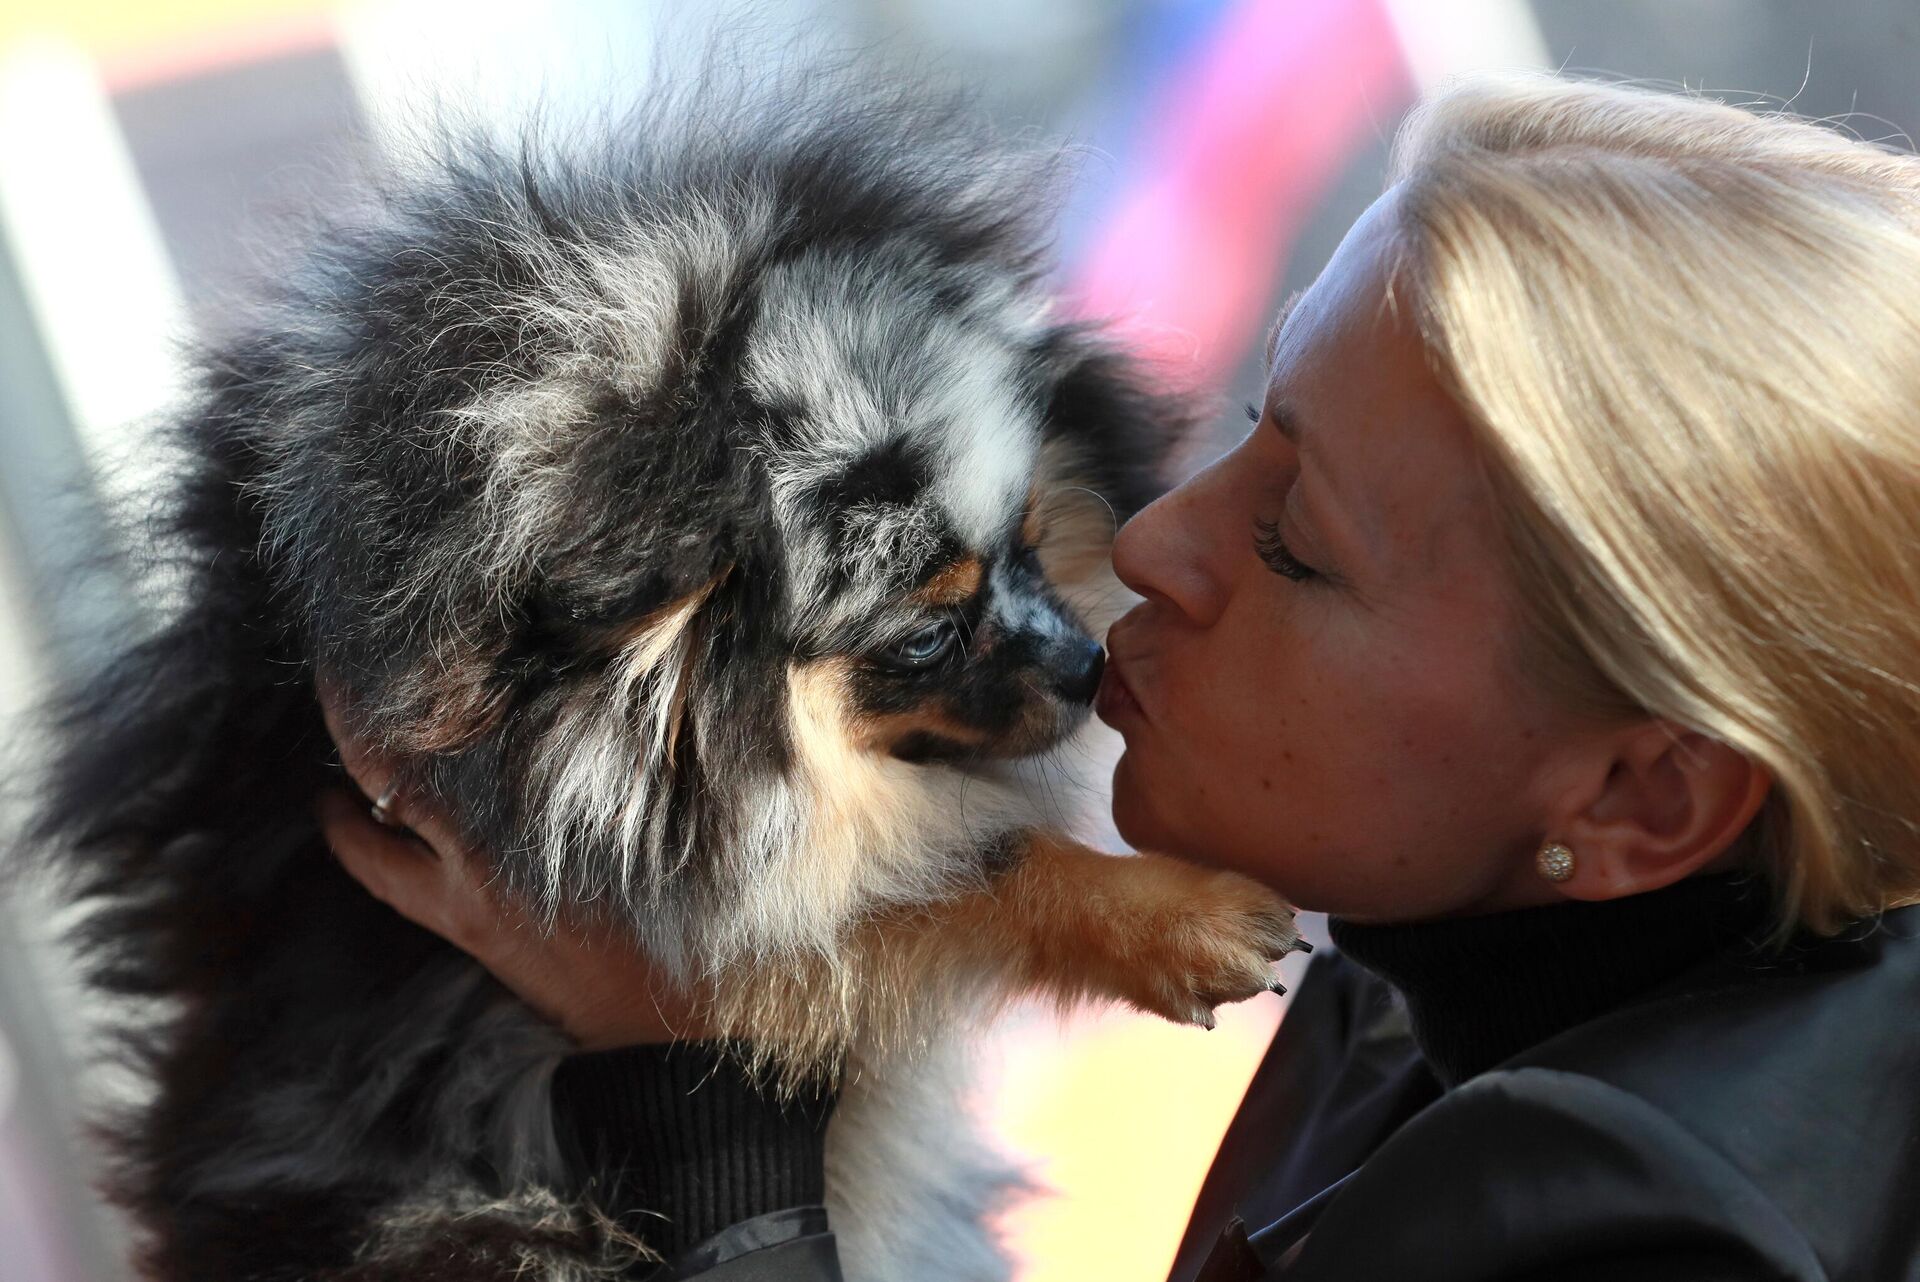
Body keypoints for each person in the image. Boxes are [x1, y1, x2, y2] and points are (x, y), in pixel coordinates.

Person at [317, 73, 1920, 1280]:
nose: (1153, 542)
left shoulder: (1636, 1232)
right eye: (1248, 432)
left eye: (1295, 540)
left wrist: (699, 1084)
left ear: (1645, 795)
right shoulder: (1469, 948)